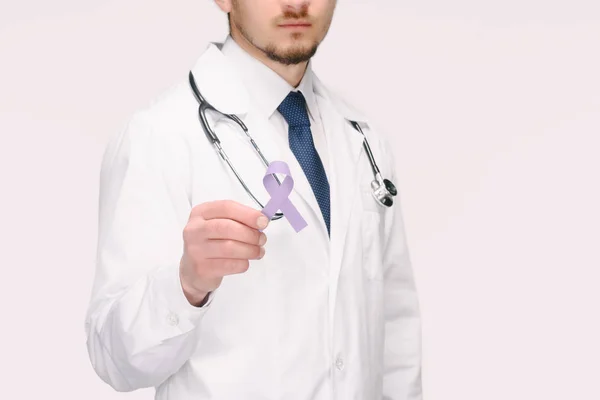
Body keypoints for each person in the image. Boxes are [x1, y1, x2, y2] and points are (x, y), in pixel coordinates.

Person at [84, 0, 423, 399]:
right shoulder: (159, 137)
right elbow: (115, 362)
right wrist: (186, 285)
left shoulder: (363, 140)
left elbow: (396, 336)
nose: (296, 3)